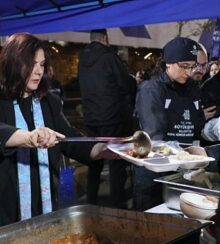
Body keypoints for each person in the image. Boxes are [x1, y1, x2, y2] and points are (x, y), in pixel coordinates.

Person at [0, 33, 118, 227]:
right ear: (13, 63)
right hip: (7, 212)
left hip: (47, 208)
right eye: (32, 64)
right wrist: (29, 137)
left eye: (42, 64)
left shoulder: (48, 102)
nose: (38, 71)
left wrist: (105, 150)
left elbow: (70, 138)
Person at [134, 37, 206, 210]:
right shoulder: (151, 89)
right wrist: (181, 157)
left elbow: (197, 127)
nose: (189, 72)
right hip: (154, 173)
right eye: (184, 66)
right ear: (168, 63)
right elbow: (154, 134)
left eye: (192, 66)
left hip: (183, 172)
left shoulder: (193, 89)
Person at [78, 29, 135, 209]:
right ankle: (118, 205)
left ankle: (91, 202)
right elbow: (125, 84)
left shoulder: (82, 60)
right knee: (116, 162)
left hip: (91, 119)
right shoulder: (109, 57)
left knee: (94, 160)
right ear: (105, 39)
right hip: (112, 118)